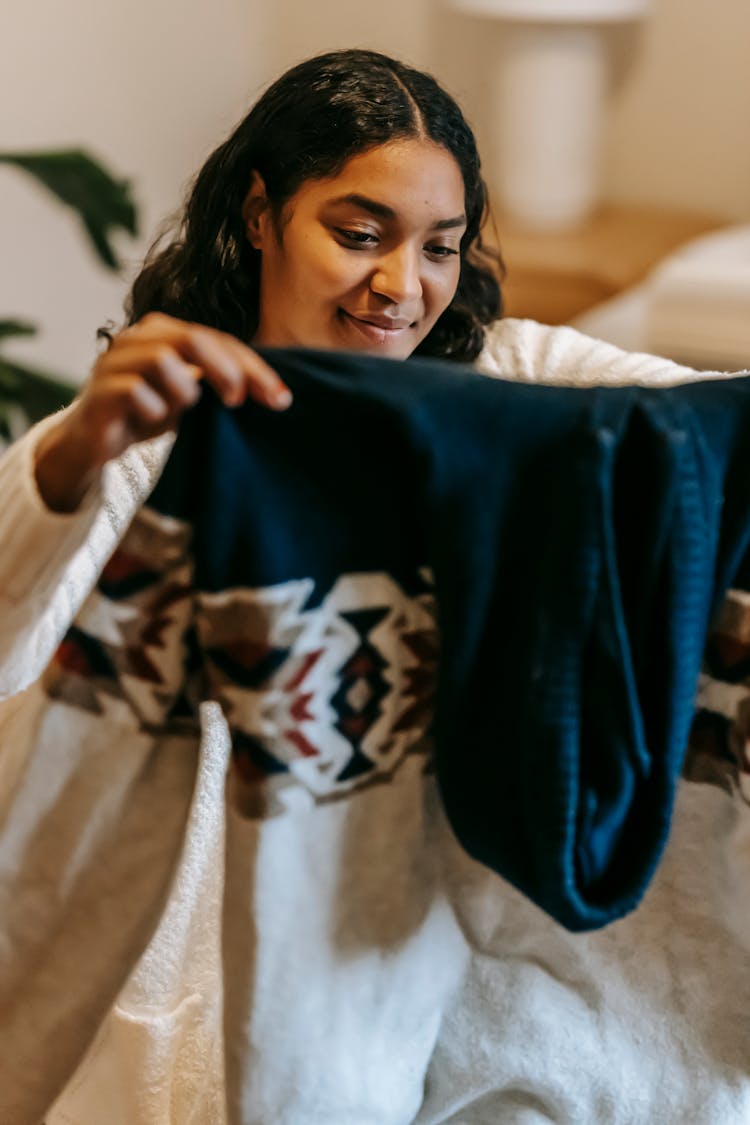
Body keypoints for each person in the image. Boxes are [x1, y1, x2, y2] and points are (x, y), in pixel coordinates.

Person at [1, 46, 749, 1125]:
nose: (402, 288)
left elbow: (697, 432)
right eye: (360, 236)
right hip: (225, 938)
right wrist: (68, 463)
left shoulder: (511, 383)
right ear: (260, 213)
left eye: (438, 248)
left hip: (456, 943)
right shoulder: (160, 439)